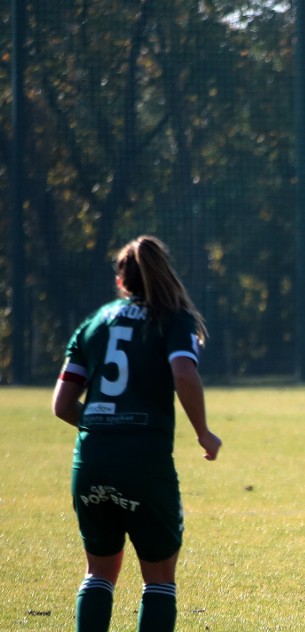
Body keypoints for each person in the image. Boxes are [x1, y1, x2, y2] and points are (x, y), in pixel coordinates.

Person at [52, 235, 222, 631]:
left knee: (98, 573)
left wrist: (105, 426)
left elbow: (62, 406)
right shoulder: (173, 319)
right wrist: (203, 433)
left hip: (91, 460)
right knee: (159, 580)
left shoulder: (93, 324)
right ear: (165, 273)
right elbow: (184, 372)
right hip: (144, 464)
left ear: (120, 281)